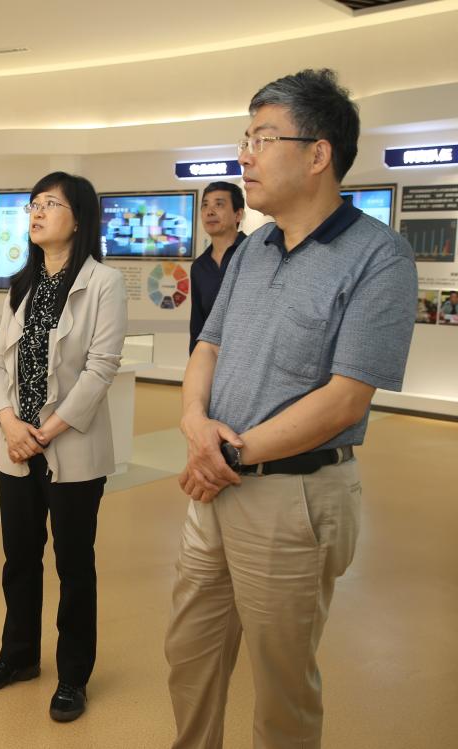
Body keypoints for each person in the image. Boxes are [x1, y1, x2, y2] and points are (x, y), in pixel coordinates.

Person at [165, 69, 417, 748]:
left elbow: (345, 398)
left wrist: (228, 452)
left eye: (262, 139)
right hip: (214, 483)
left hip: (293, 498)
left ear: (317, 154)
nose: (244, 156)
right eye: (244, 139)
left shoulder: (379, 257)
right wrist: (194, 424)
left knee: (281, 686)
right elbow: (208, 345)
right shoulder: (253, 249)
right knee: (189, 655)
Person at [0, 172, 127, 723]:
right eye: (33, 205)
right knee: (19, 558)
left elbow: (101, 367)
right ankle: (17, 656)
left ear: (78, 218)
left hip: (70, 446)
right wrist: (9, 423)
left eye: (50, 204)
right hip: (16, 445)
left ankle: (72, 676)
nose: (36, 213)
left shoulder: (104, 282)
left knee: (74, 564)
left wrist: (46, 430)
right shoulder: (23, 283)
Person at [189, 182, 247, 353]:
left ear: (238, 214)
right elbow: (198, 324)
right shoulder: (199, 266)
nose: (210, 212)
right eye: (205, 205)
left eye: (219, 204)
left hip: (248, 355)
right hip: (212, 356)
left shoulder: (256, 253)